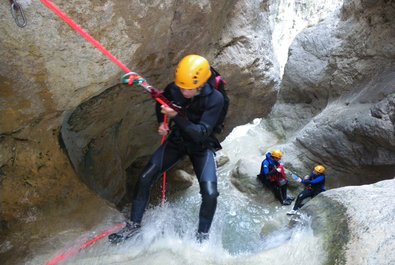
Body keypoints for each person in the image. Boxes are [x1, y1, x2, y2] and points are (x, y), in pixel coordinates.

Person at [109, 54, 225, 243]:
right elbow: (160, 102)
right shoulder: (175, 89)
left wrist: (175, 117)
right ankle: (133, 227)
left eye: (189, 88)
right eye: (182, 86)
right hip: (177, 141)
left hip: (201, 146)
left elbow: (201, 133)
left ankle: (202, 237)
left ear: (202, 84)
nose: (184, 91)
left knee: (210, 193)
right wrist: (163, 124)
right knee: (145, 177)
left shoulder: (215, 99)